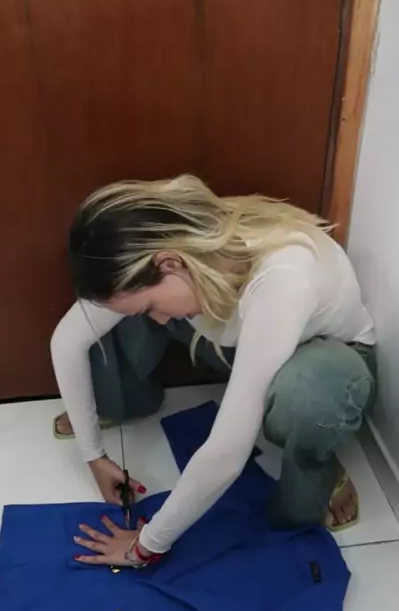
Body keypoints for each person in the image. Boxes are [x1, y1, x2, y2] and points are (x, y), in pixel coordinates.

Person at [51, 175, 376, 568]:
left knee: (307, 398)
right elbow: (67, 341)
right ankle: (126, 397)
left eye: (150, 307)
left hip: (324, 360)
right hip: (242, 332)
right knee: (122, 314)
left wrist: (145, 546)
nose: (156, 320)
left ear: (169, 264)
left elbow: (227, 452)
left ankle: (315, 467)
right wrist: (94, 456)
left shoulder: (284, 278)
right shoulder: (174, 248)